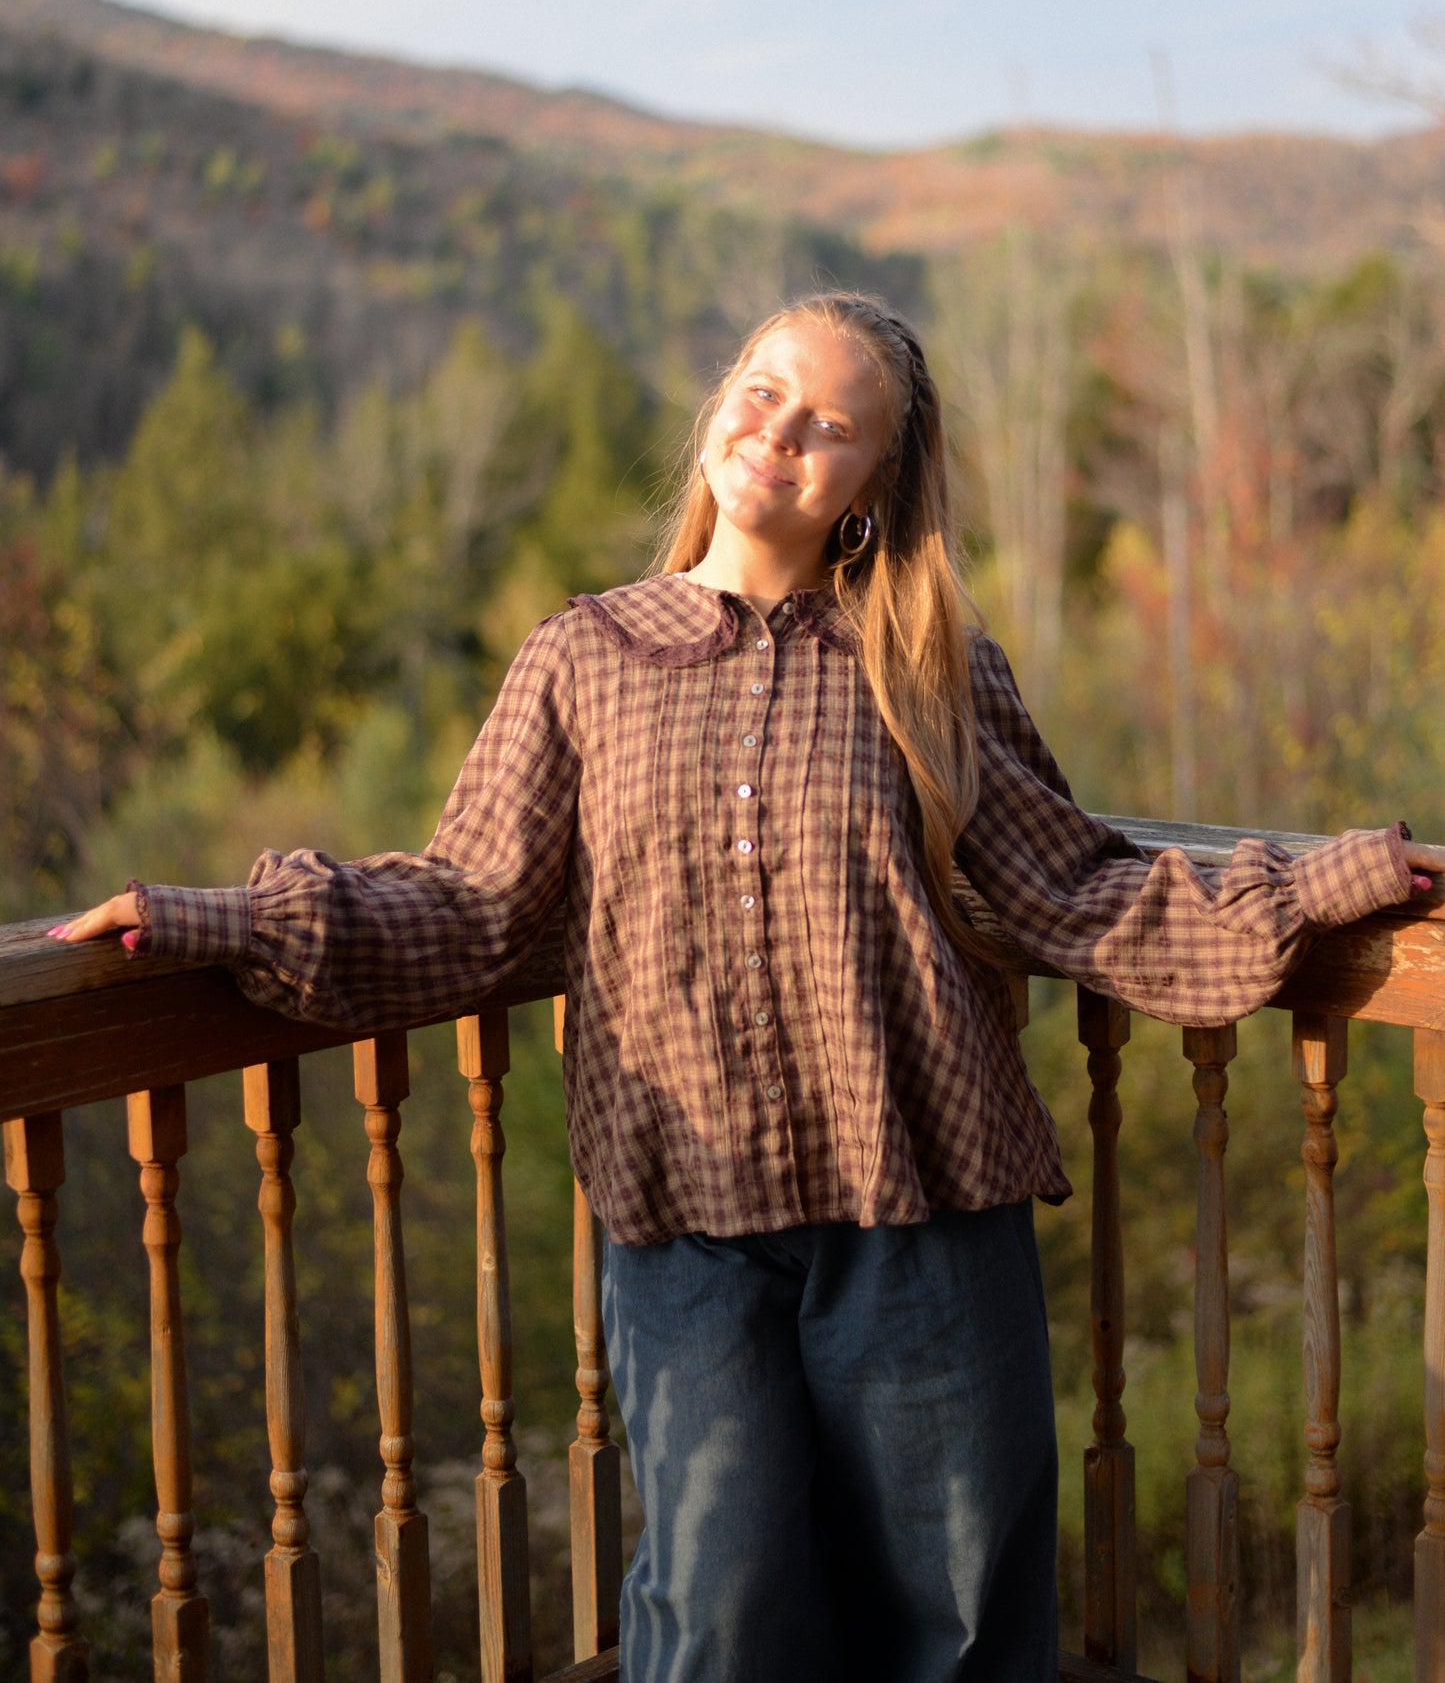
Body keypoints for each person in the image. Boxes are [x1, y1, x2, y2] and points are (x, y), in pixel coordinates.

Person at [57, 292, 1442, 1683]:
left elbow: (1077, 890)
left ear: (871, 488)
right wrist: (225, 919)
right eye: (761, 386)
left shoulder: (931, 665)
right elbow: (468, 898)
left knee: (958, 1623)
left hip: (923, 1205)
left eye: (828, 424)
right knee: (719, 1619)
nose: (775, 430)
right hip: (688, 1224)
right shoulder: (581, 655)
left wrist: (1324, 882)